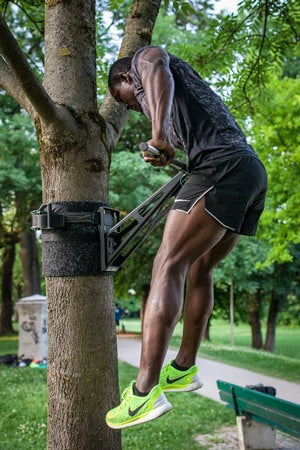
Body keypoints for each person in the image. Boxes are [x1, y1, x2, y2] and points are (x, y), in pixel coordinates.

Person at [105, 46, 267, 429]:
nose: (134, 108)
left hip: (220, 166)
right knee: (200, 266)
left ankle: (143, 393)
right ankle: (182, 369)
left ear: (126, 79)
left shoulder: (145, 59)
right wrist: (169, 148)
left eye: (126, 101)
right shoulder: (178, 99)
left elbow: (156, 67)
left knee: (168, 263)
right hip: (249, 170)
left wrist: (158, 135)